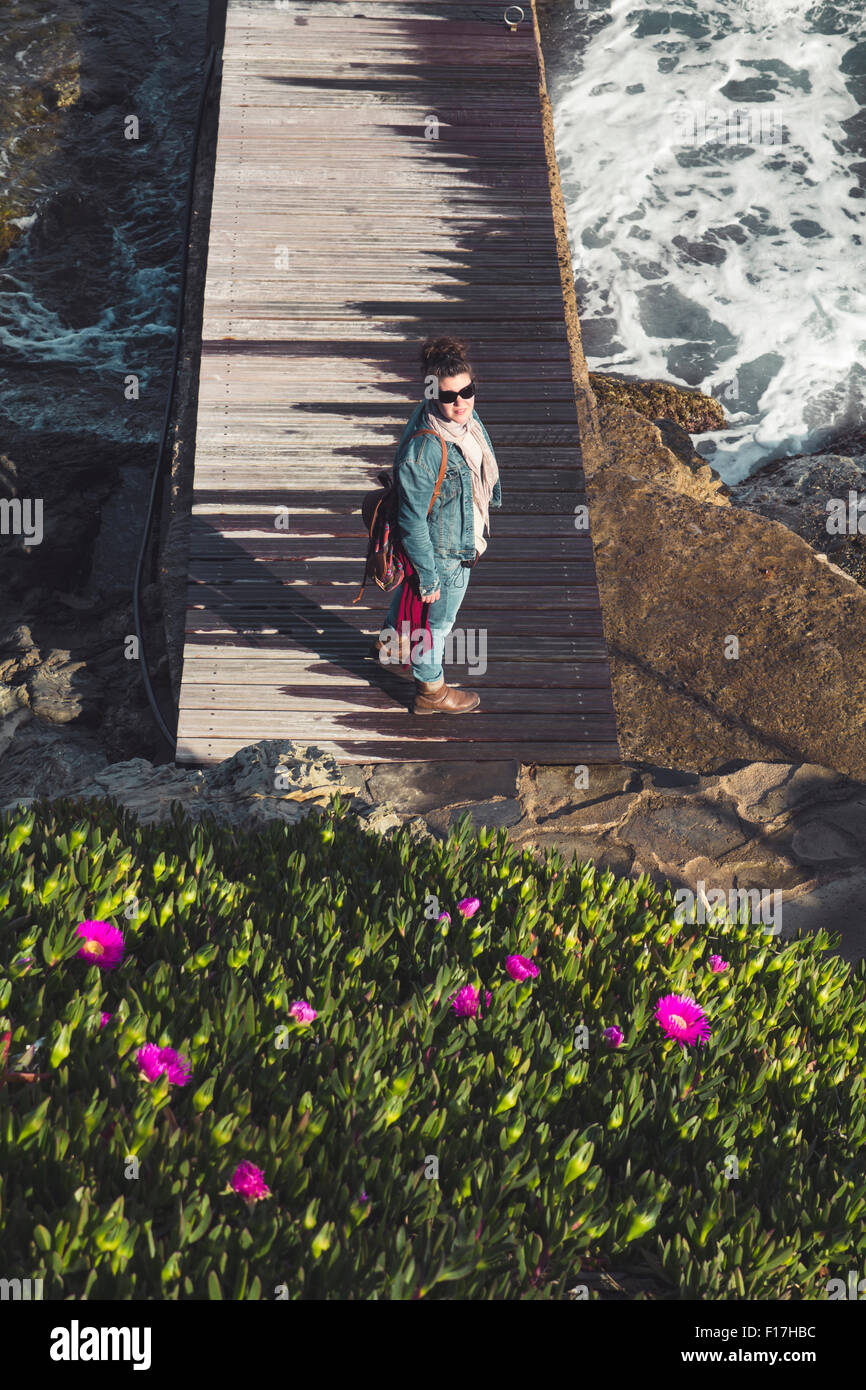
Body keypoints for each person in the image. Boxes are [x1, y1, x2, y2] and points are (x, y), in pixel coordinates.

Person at [374, 336, 501, 714]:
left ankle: (390, 644)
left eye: (468, 391)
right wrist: (429, 577)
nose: (461, 402)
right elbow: (412, 522)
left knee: (424, 614)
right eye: (449, 397)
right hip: (444, 555)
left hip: (456, 536)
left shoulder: (460, 419)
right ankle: (431, 690)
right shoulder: (425, 451)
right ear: (433, 396)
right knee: (438, 626)